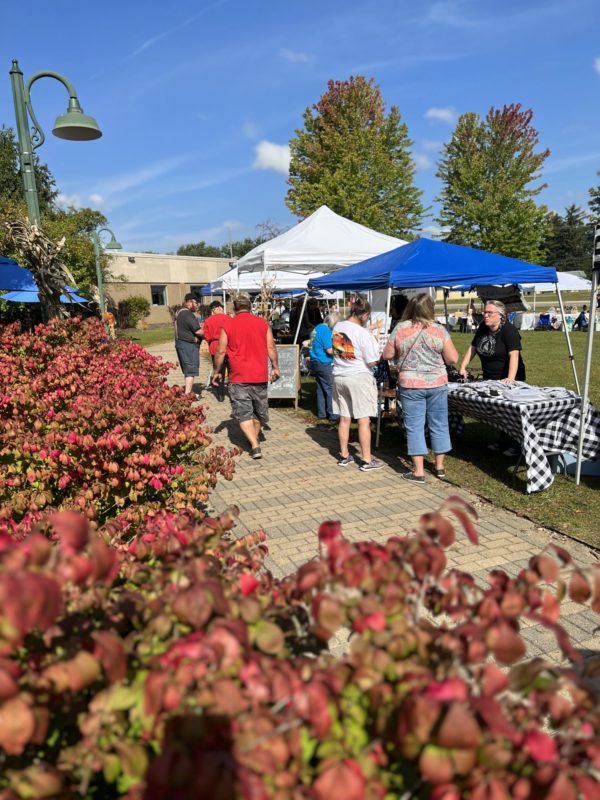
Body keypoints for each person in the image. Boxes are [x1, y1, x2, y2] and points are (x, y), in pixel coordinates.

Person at [382, 293, 458, 482]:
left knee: (414, 426)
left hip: (411, 384)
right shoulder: (439, 330)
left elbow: (387, 354)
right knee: (439, 423)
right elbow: (452, 358)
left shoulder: (401, 329)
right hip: (437, 383)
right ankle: (439, 466)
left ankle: (418, 471)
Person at [212, 296, 279, 459]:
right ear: (250, 307)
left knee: (243, 413)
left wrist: (216, 371)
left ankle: (253, 443)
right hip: (259, 375)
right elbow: (271, 346)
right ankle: (255, 443)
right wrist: (275, 367)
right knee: (258, 412)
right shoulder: (262, 323)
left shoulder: (228, 325)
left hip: (238, 376)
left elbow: (220, 351)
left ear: (234, 309)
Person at [459, 299, 525, 456]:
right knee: (497, 411)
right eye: (485, 312)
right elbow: (473, 348)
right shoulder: (483, 327)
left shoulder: (509, 331)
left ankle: (516, 444)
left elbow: (514, 355)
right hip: (490, 376)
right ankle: (502, 441)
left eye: (489, 313)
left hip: (509, 376)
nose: (485, 316)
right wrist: (463, 366)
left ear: (501, 316)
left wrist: (510, 378)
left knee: (510, 412)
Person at [332, 297, 384, 472]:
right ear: (365, 314)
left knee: (344, 418)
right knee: (363, 419)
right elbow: (372, 361)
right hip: (358, 377)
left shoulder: (338, 327)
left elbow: (339, 351)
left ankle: (344, 455)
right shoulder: (363, 334)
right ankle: (367, 459)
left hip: (340, 375)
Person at [309, 312, 340, 423]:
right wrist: (342, 352)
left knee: (321, 388)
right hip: (324, 362)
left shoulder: (317, 328)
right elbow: (329, 350)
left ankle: (322, 413)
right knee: (329, 388)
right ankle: (333, 415)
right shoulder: (326, 331)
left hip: (315, 361)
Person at [174, 293, 203, 396]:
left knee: (187, 370)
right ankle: (187, 395)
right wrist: (209, 333)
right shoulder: (187, 314)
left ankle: (189, 391)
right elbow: (198, 331)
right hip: (188, 345)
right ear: (189, 302)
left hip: (182, 344)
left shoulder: (180, 312)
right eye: (196, 303)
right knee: (190, 370)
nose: (197, 305)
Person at [203, 300, 230, 398]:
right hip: (228, 346)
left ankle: (220, 394)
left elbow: (207, 336)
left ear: (213, 310)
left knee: (218, 370)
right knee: (231, 370)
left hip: (215, 346)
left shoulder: (208, 320)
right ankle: (233, 393)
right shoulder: (228, 318)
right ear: (220, 308)